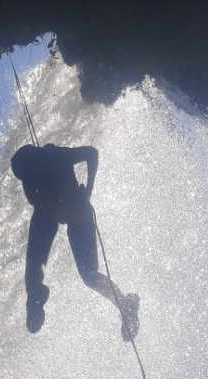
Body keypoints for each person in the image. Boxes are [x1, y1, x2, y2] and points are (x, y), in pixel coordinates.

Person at [11, 143, 139, 338]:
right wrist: (87, 188)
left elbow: (91, 153)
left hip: (73, 210)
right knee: (87, 274)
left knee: (86, 273)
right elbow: (91, 153)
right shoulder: (38, 166)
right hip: (64, 212)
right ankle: (34, 296)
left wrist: (89, 188)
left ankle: (123, 305)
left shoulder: (53, 155)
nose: (25, 176)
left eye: (24, 171)